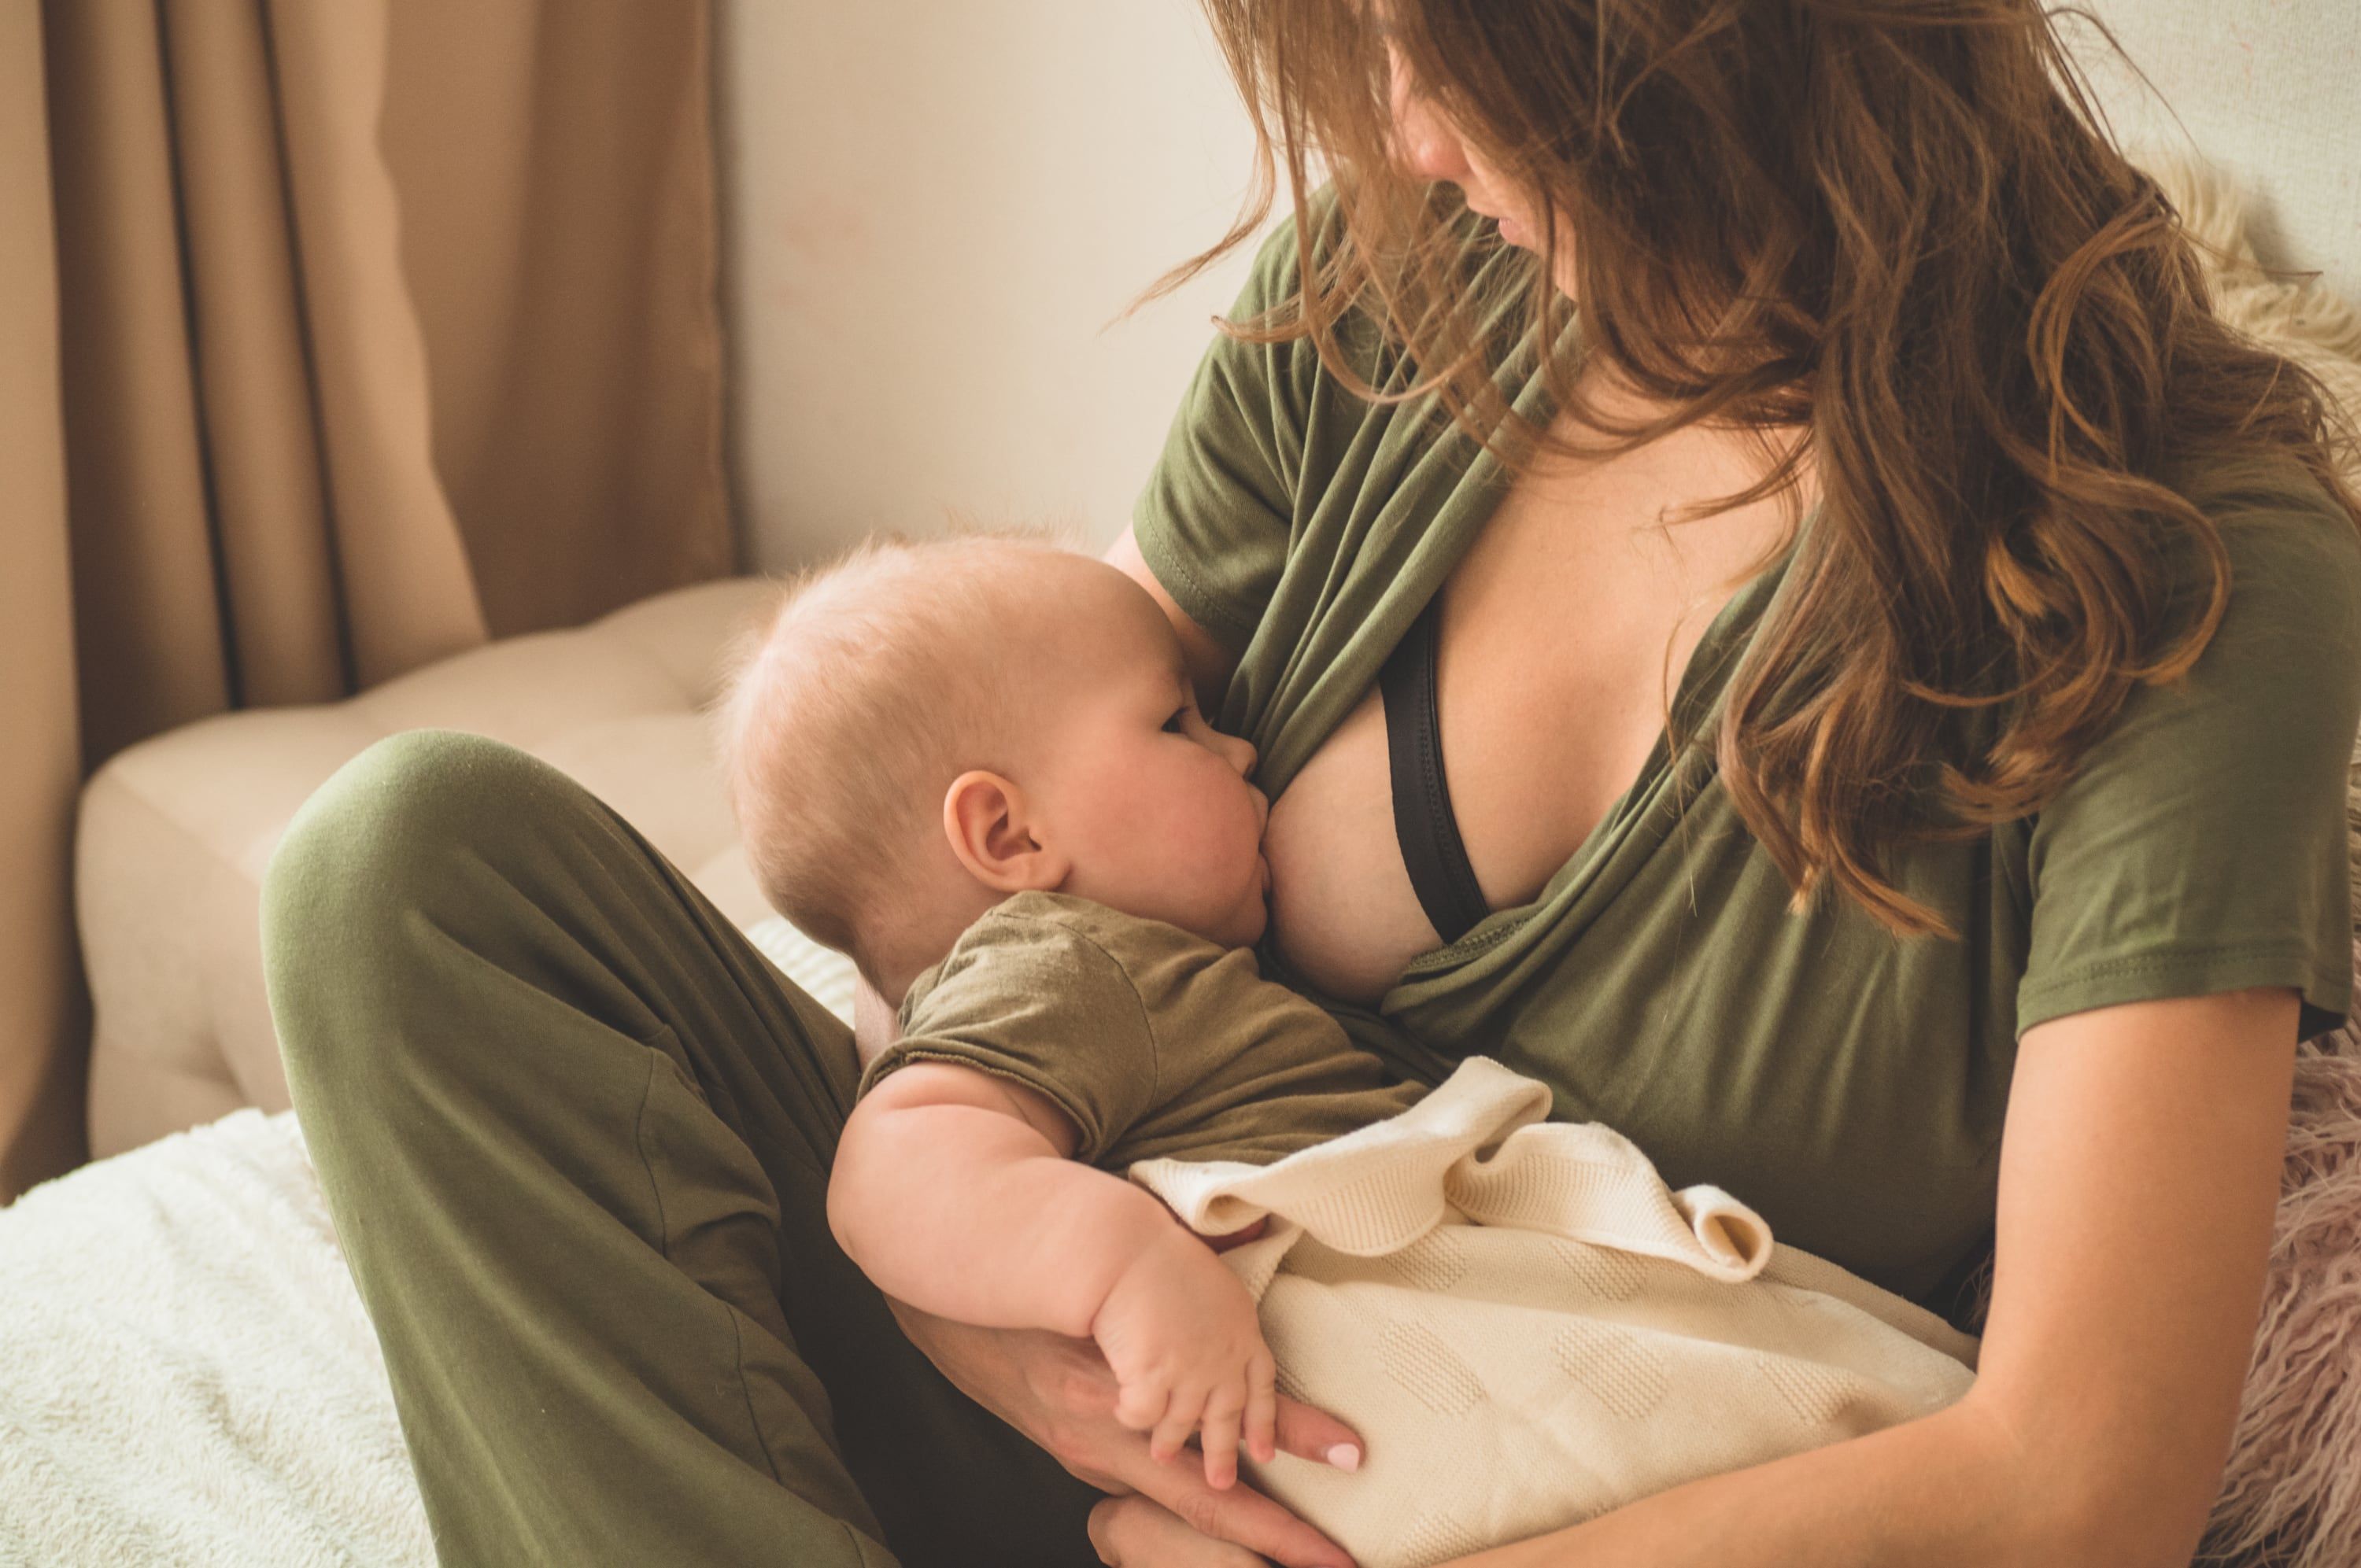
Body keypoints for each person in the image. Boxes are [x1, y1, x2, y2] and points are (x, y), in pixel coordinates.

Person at [262, 2, 2361, 1565]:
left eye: (1451, 54)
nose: (1413, 128)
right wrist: (1064, 1352)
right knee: (404, 870)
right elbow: (1004, 887)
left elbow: (2075, 1475)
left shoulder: (2177, 571)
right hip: (1116, 1381)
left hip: (1541, 1514)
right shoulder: (1384, 297)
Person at [720, 531, 1974, 1545]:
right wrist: (1127, 1269)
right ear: (1008, 839)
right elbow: (896, 1163)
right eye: (1177, 725)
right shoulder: (1067, 957)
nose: (1243, 744)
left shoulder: (1108, 972)